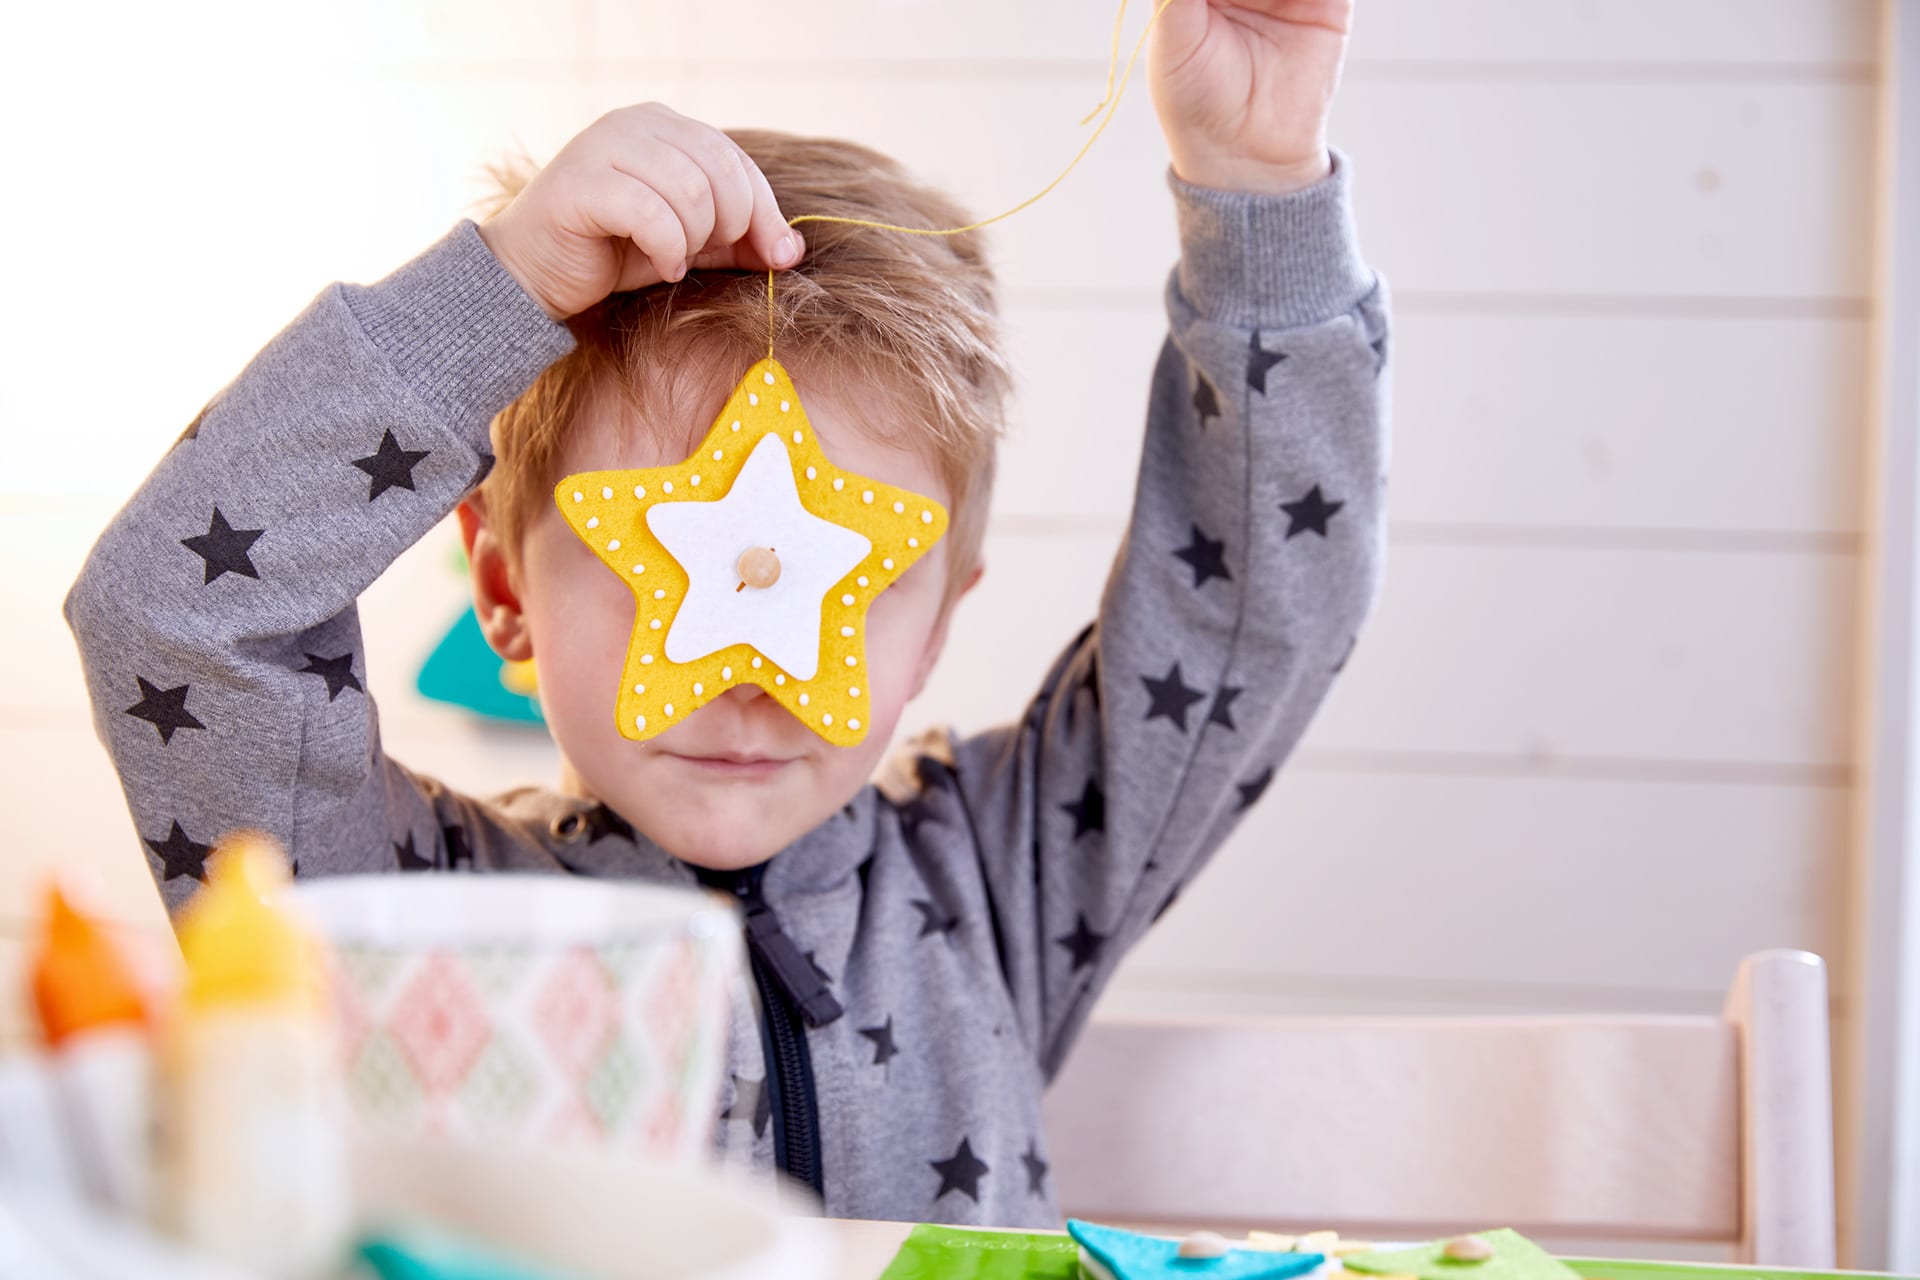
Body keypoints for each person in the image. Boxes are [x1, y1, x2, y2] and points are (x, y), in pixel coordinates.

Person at [67, 0, 1387, 1226]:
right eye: (673, 570)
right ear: (507, 590)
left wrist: (1256, 183)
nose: (753, 675)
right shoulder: (395, 908)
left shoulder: (1004, 878)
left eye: (841, 586)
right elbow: (171, 619)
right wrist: (502, 293)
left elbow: (1253, 617)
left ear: (933, 629)